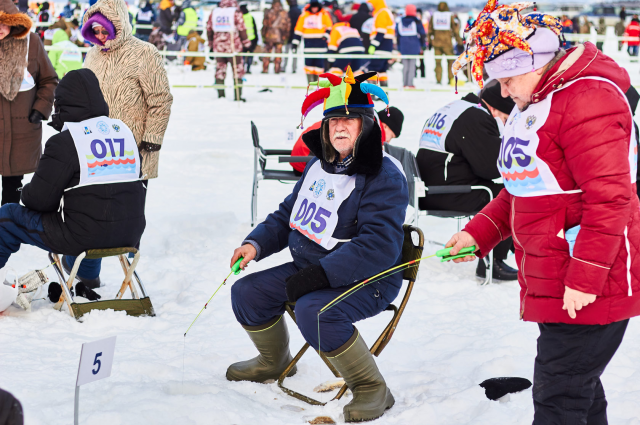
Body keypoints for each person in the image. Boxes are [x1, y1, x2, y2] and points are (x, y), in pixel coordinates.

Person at [449, 3, 639, 422]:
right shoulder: (535, 101)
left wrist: (586, 277)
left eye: (507, 77)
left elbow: (610, 199)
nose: (502, 90)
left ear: (534, 62)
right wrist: (478, 234)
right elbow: (523, 189)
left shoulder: (588, 100)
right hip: (556, 277)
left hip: (588, 282)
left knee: (559, 398)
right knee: (577, 390)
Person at [227, 70, 405, 423]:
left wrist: (319, 274)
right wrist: (255, 244)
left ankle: (372, 388)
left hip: (369, 277)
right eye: (333, 121)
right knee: (247, 293)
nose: (339, 127)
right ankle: (273, 361)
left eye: (349, 121)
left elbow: (378, 246)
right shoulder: (319, 166)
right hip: (312, 266)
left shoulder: (384, 175)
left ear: (367, 125)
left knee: (316, 310)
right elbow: (286, 216)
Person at [0, 69, 146, 300]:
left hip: (84, 235)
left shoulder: (67, 141)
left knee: (6, 216)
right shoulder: (124, 133)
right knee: (93, 213)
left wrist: (26, 191)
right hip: (130, 234)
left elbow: (39, 200)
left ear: (62, 104)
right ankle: (87, 276)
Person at [78, 0, 172, 286]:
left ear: (116, 24)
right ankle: (88, 275)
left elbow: (160, 100)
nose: (101, 35)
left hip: (134, 151)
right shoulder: (92, 55)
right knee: (93, 212)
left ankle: (131, 273)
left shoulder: (145, 53)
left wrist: (152, 141)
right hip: (97, 149)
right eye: (94, 30)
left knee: (127, 215)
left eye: (104, 29)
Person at [417, 82, 517, 280]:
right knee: (509, 195)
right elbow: (490, 167)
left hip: (427, 188)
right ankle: (494, 261)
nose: (504, 124)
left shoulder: (457, 108)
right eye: (505, 119)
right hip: (444, 192)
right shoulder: (477, 117)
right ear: (495, 108)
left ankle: (508, 245)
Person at [0, 0, 57, 206]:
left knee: (12, 187)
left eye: (4, 23)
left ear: (14, 22)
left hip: (21, 131)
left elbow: (49, 80)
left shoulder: (31, 42)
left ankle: (6, 234)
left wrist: (40, 109)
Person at [290, 104, 404, 175]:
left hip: (301, 156)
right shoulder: (369, 129)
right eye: (391, 136)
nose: (388, 141)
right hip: (307, 160)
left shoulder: (362, 117)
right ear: (385, 126)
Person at [207, 0, 251, 101]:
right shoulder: (235, 12)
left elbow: (209, 29)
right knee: (237, 70)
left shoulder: (215, 12)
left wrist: (211, 45)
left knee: (220, 70)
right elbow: (242, 29)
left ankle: (221, 95)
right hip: (233, 47)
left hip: (219, 47)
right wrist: (246, 44)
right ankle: (238, 96)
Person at [292, 0, 333, 82]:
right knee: (309, 65)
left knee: (319, 66)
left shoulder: (324, 14)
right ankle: (310, 82)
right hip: (308, 45)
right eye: (313, 7)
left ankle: (317, 82)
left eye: (316, 7)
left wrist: (325, 36)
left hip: (320, 45)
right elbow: (298, 30)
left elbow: (330, 27)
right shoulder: (304, 15)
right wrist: (295, 43)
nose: (314, 9)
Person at [429, 1, 461, 86]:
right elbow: (455, 30)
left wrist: (429, 42)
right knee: (450, 62)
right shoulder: (450, 16)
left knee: (438, 63)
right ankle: (450, 79)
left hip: (437, 43)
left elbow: (429, 30)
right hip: (447, 43)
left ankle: (438, 80)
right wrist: (460, 42)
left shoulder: (434, 16)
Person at [396, 4, 426, 88]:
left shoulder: (400, 21)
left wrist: (399, 47)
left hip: (403, 47)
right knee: (412, 65)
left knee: (405, 65)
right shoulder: (417, 21)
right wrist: (423, 45)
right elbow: (422, 34)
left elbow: (397, 35)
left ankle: (404, 83)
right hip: (414, 46)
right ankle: (410, 83)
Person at [366, 0, 394, 86]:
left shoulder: (381, 13)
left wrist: (373, 45)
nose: (371, 6)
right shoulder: (385, 11)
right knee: (382, 71)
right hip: (386, 46)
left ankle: (371, 94)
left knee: (372, 69)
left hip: (381, 47)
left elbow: (381, 31)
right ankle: (384, 94)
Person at [261, 0, 290, 74]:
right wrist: (286, 35)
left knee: (267, 53)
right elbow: (288, 25)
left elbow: (265, 24)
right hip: (280, 36)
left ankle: (265, 68)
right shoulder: (284, 13)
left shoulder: (269, 12)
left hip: (269, 36)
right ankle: (277, 68)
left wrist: (263, 34)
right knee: (278, 54)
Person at [282, 0, 301, 73]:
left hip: (289, 35)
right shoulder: (298, 11)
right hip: (296, 35)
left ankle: (284, 67)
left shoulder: (289, 12)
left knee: (286, 52)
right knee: (294, 53)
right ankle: (294, 68)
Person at [239, 3, 257, 74]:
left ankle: (242, 68)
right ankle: (248, 69)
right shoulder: (250, 16)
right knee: (250, 55)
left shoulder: (240, 17)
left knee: (242, 55)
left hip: (242, 40)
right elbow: (255, 28)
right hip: (251, 39)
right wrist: (255, 40)